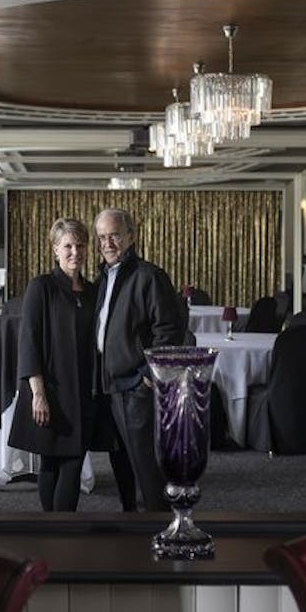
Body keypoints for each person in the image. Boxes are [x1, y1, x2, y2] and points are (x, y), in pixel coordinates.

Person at [8, 218, 115, 511]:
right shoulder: (41, 287)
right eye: (67, 246)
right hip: (49, 391)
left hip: (84, 393)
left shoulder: (94, 291)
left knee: (73, 463)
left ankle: (61, 531)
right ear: (55, 249)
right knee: (50, 463)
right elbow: (29, 342)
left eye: (80, 245)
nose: (75, 252)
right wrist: (38, 394)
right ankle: (53, 531)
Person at [92, 207, 185, 512]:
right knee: (121, 462)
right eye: (102, 237)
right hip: (109, 385)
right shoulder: (103, 276)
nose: (108, 243)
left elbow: (169, 331)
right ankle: (131, 522)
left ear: (131, 237)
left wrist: (147, 376)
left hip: (136, 386)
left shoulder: (149, 276)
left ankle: (157, 527)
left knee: (145, 465)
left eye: (114, 235)